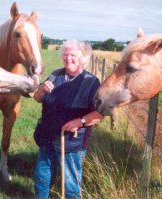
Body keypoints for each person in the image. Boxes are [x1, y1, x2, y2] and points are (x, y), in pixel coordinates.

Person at [32, 39, 104, 199]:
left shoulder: (91, 82)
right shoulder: (55, 75)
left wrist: (80, 122)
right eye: (65, 54)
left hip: (71, 142)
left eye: (72, 55)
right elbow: (37, 98)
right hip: (47, 136)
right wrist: (42, 89)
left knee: (71, 185)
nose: (68, 58)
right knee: (41, 178)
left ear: (82, 57)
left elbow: (99, 114)